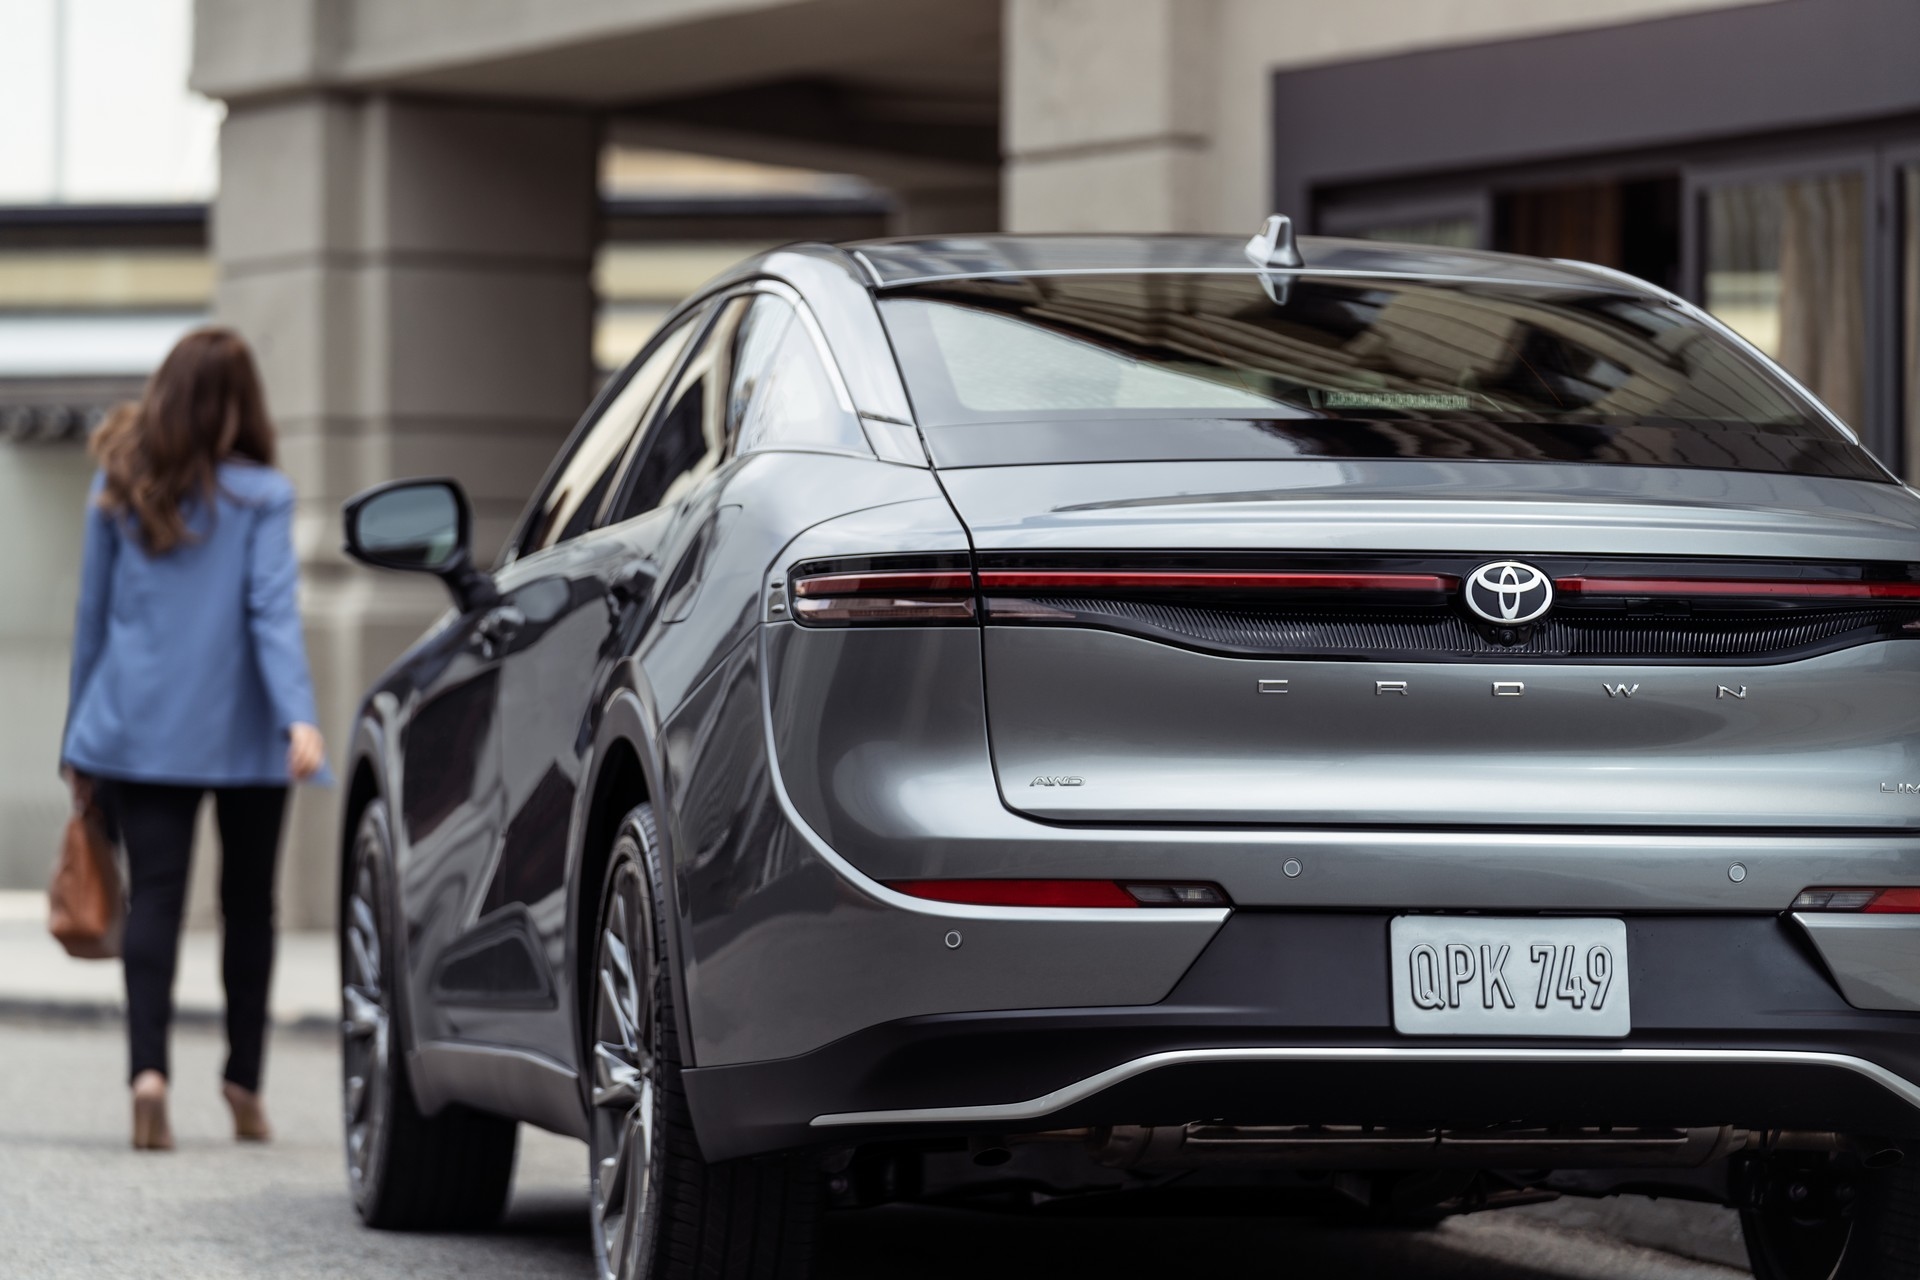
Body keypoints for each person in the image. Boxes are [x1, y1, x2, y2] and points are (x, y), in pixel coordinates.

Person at [61, 327, 327, 1151]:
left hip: (137, 729)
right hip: (246, 732)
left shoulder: (118, 487)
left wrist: (78, 740)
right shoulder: (263, 496)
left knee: (157, 901)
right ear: (239, 405)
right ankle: (242, 1083)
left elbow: (91, 622)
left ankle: (149, 1077)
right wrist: (300, 716)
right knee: (249, 906)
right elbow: (270, 613)